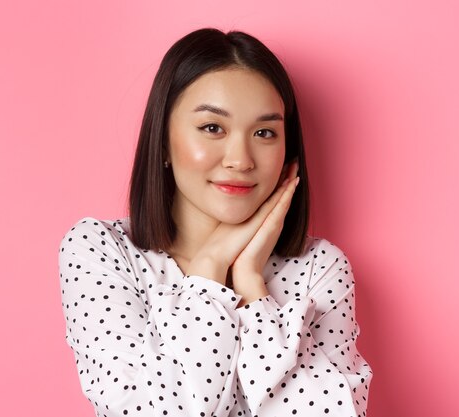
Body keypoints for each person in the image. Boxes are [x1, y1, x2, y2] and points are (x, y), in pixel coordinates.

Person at [58, 28, 372, 417]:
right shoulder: (100, 250)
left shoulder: (318, 269)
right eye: (212, 128)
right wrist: (210, 269)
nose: (241, 159)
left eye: (264, 133)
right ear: (163, 143)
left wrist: (254, 290)